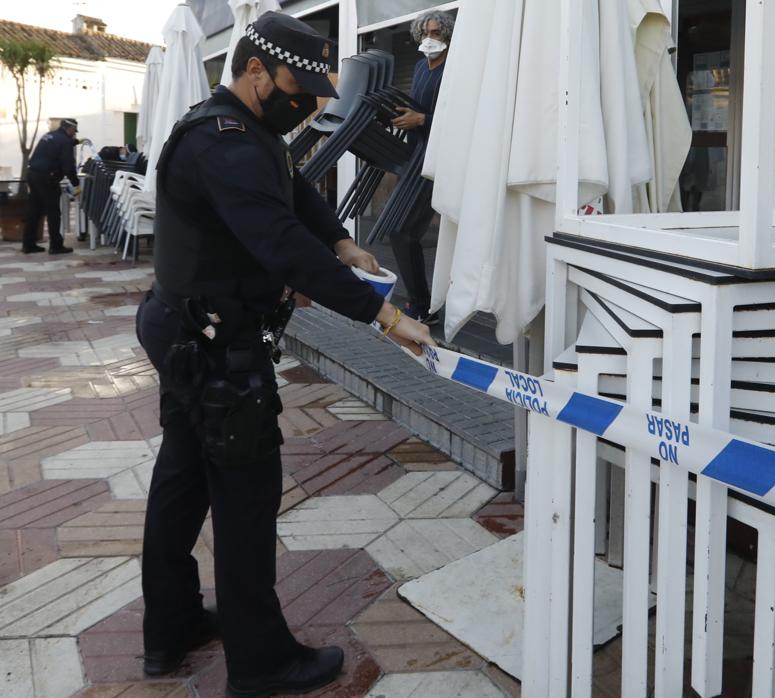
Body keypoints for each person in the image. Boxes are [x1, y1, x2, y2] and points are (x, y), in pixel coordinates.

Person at [134, 12, 433, 697]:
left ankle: (171, 626)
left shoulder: (239, 129)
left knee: (182, 480)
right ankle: (262, 661)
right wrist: (383, 315)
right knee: (244, 496)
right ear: (257, 72)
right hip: (211, 343)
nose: (310, 106)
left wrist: (341, 241)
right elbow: (278, 239)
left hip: (186, 330)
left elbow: (293, 189)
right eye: (301, 89)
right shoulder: (227, 145)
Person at [388, 9, 453, 326]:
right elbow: (417, 107)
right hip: (415, 157)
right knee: (401, 231)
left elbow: (462, 116)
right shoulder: (417, 67)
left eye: (436, 33)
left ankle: (425, 305)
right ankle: (422, 302)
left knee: (402, 230)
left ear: (447, 35)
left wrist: (422, 120)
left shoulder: (454, 69)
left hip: (440, 161)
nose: (430, 39)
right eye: (425, 33)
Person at [22, 117, 79, 254]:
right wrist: (76, 184)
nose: (74, 134)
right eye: (74, 131)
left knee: (34, 211)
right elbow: (68, 167)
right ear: (69, 128)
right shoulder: (65, 141)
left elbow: (55, 147)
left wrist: (73, 142)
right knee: (53, 212)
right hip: (47, 178)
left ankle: (28, 244)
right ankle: (56, 246)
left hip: (32, 174)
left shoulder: (49, 135)